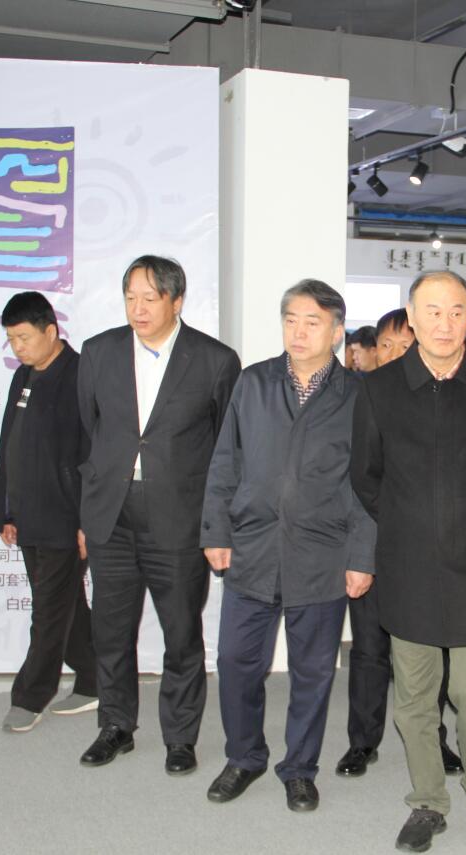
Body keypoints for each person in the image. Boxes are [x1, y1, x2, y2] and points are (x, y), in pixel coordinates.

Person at [352, 270, 466, 852]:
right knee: (414, 699)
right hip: (409, 565)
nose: (445, 323)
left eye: (457, 312)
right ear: (411, 317)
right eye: (432, 311)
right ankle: (428, 801)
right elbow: (366, 475)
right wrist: (411, 522)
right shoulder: (379, 388)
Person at [200, 280, 375, 812]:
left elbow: (369, 485)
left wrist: (361, 556)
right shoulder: (253, 382)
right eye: (291, 320)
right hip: (252, 546)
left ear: (336, 331)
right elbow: (225, 460)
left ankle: (299, 769)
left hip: (322, 553)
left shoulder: (358, 396)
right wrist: (215, 530)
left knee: (313, 672)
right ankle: (244, 756)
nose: (298, 332)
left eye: (312, 322)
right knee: (235, 661)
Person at [76, 255, 241, 773]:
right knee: (110, 631)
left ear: (176, 300)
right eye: (131, 297)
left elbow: (228, 449)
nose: (138, 308)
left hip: (179, 519)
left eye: (150, 298)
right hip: (112, 516)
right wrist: (87, 512)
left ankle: (180, 737)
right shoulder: (98, 352)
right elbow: (90, 431)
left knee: (181, 634)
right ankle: (115, 725)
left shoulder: (215, 360)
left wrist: (218, 524)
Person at [338, 307, 463, 780]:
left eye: (402, 346)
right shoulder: (360, 397)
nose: (391, 354)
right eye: (384, 346)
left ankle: (435, 739)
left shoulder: (439, 399)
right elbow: (355, 480)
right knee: (369, 651)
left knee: (432, 651)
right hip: (371, 546)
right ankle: (361, 742)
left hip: (426, 553)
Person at [0, 291, 97, 732]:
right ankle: (96, 679)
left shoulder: (81, 376)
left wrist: (87, 522)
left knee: (49, 611)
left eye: (25, 338)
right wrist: (5, 512)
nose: (18, 347)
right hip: (28, 514)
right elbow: (9, 445)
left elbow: (93, 454)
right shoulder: (23, 376)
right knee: (66, 603)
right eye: (12, 339)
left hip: (65, 519)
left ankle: (30, 695)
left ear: (51, 331)